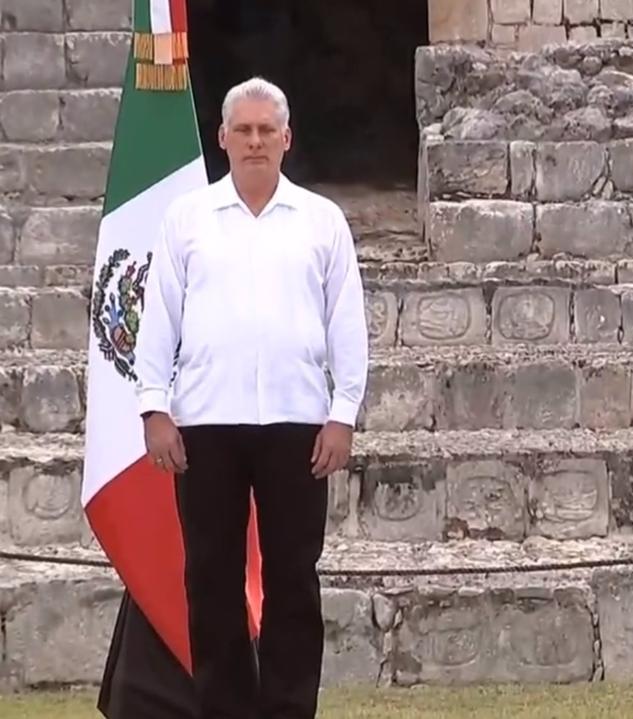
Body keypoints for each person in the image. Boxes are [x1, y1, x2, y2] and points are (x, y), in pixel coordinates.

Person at [133, 76, 369, 719]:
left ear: (287, 139)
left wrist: (342, 413)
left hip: (297, 424)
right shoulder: (187, 220)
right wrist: (155, 408)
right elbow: (159, 319)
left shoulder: (322, 221)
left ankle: (290, 708)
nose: (256, 141)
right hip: (206, 423)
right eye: (245, 130)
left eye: (268, 130)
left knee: (295, 580)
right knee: (210, 580)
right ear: (223, 139)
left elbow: (346, 323)